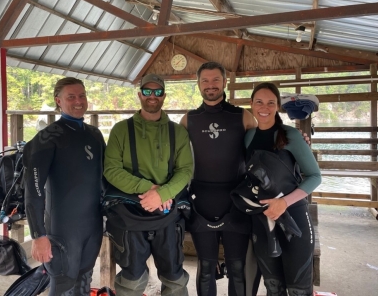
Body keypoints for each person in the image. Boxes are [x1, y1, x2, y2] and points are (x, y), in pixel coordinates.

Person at [104, 74, 193, 296]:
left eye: (157, 92)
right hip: (129, 213)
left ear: (163, 96)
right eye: (147, 91)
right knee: (132, 279)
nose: (152, 96)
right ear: (139, 94)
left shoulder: (178, 132)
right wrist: (150, 189)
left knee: (174, 278)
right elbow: (111, 170)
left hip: (168, 212)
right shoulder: (120, 130)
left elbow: (185, 171)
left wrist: (163, 194)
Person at [23, 77, 106, 295]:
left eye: (82, 96)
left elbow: (105, 179)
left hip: (92, 226)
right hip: (62, 231)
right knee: (62, 284)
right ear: (58, 101)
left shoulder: (95, 135)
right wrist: (38, 235)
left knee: (84, 282)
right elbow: (33, 191)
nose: (78, 101)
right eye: (71, 97)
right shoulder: (47, 138)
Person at [180, 62, 257, 296]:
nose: (210, 85)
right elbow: (172, 155)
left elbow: (266, 145)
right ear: (198, 84)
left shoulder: (243, 117)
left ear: (225, 82)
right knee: (205, 267)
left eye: (215, 80)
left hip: (237, 202)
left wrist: (295, 140)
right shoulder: (188, 120)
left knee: (237, 267)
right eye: (205, 81)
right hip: (201, 202)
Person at [242, 82, 321, 296]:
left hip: (293, 217)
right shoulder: (248, 137)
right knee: (273, 286)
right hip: (262, 219)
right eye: (259, 101)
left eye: (271, 102)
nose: (264, 107)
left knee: (298, 289)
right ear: (251, 104)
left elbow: (315, 177)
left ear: (278, 106)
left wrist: (284, 202)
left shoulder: (291, 135)